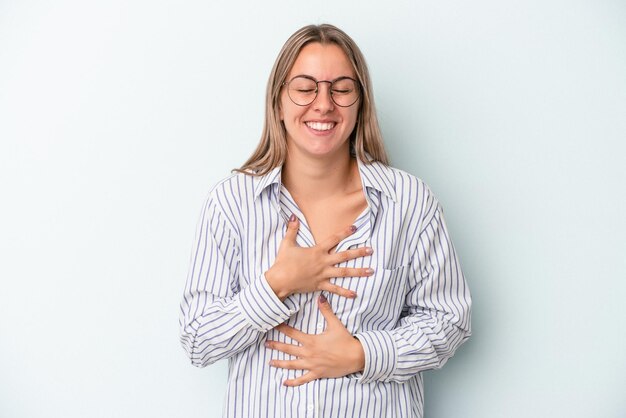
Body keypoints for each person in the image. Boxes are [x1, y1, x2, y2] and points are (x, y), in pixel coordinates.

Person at [179, 23, 471, 418]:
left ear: (360, 104)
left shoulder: (410, 202)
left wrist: (362, 354)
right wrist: (277, 285)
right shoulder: (231, 204)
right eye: (305, 87)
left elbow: (448, 321)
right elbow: (198, 340)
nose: (323, 104)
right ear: (279, 103)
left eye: (342, 89)